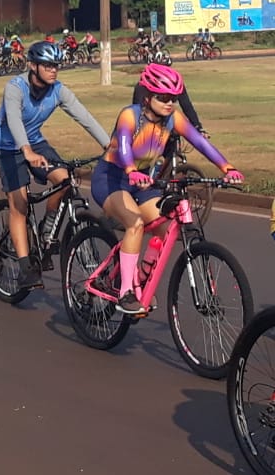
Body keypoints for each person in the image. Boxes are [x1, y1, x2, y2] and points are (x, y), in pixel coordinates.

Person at [92, 64, 242, 314]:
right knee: (135, 223)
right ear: (148, 96)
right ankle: (126, 291)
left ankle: (139, 277)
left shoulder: (174, 119)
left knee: (165, 228)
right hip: (113, 178)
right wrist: (131, 170)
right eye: (163, 98)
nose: (169, 103)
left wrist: (227, 167)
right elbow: (125, 146)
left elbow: (200, 143)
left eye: (173, 98)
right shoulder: (130, 115)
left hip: (144, 182)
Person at [0, 41, 110, 290]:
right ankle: (25, 267)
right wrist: (26, 151)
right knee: (20, 204)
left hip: (35, 142)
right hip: (9, 147)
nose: (53, 70)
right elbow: (13, 119)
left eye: (56, 65)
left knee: (65, 179)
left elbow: (84, 117)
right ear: (32, 66)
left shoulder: (58, 90)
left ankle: (48, 228)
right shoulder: (15, 88)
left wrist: (110, 146)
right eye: (47, 65)